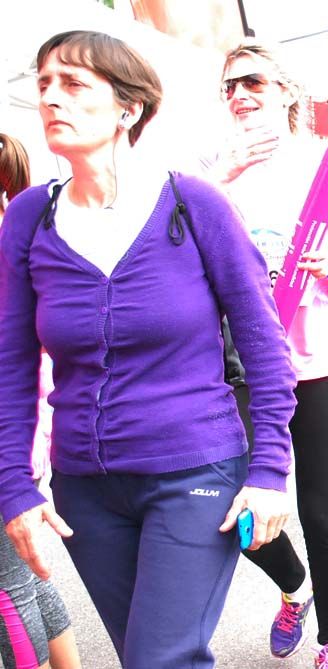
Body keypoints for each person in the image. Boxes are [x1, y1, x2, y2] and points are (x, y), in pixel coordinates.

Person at [0, 31, 298, 668]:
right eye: (45, 83)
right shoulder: (28, 219)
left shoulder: (195, 205)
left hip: (194, 471)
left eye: (75, 84)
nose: (52, 97)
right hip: (86, 491)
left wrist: (270, 473)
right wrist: (15, 489)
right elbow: (12, 366)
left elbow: (266, 350)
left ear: (127, 109)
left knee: (160, 660)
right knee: (148, 656)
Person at [206, 42, 328, 668]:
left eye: (252, 80)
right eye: (228, 87)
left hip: (320, 361)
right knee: (240, 507)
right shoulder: (208, 169)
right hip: (242, 367)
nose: (239, 94)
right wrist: (217, 179)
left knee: (319, 512)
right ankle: (294, 589)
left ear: (286, 92)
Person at [1, 133, 82, 669]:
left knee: (9, 591)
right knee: (27, 576)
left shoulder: (12, 243)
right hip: (24, 436)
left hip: (12, 439)